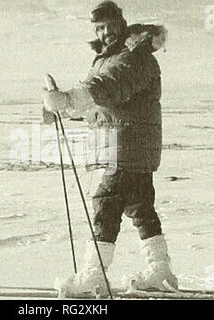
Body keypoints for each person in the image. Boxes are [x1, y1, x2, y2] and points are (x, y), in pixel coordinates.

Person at [43, 0, 178, 295]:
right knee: (141, 208)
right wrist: (66, 107)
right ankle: (161, 272)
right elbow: (100, 106)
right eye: (99, 28)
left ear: (121, 23)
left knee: (105, 205)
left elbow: (108, 87)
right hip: (129, 149)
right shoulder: (112, 58)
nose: (105, 33)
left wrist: (68, 98)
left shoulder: (132, 58)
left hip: (125, 148)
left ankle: (94, 276)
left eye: (109, 26)